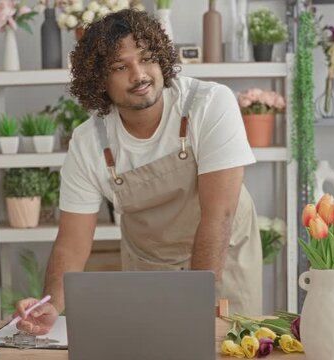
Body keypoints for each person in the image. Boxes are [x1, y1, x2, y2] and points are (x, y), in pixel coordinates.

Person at [15, 9, 262, 335]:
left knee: (230, 347)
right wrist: (52, 304)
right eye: (120, 67)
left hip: (223, 255)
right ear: (98, 80)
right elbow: (72, 243)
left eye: (146, 59)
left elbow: (219, 216)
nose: (139, 74)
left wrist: (195, 301)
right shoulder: (89, 143)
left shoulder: (209, 104)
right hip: (149, 265)